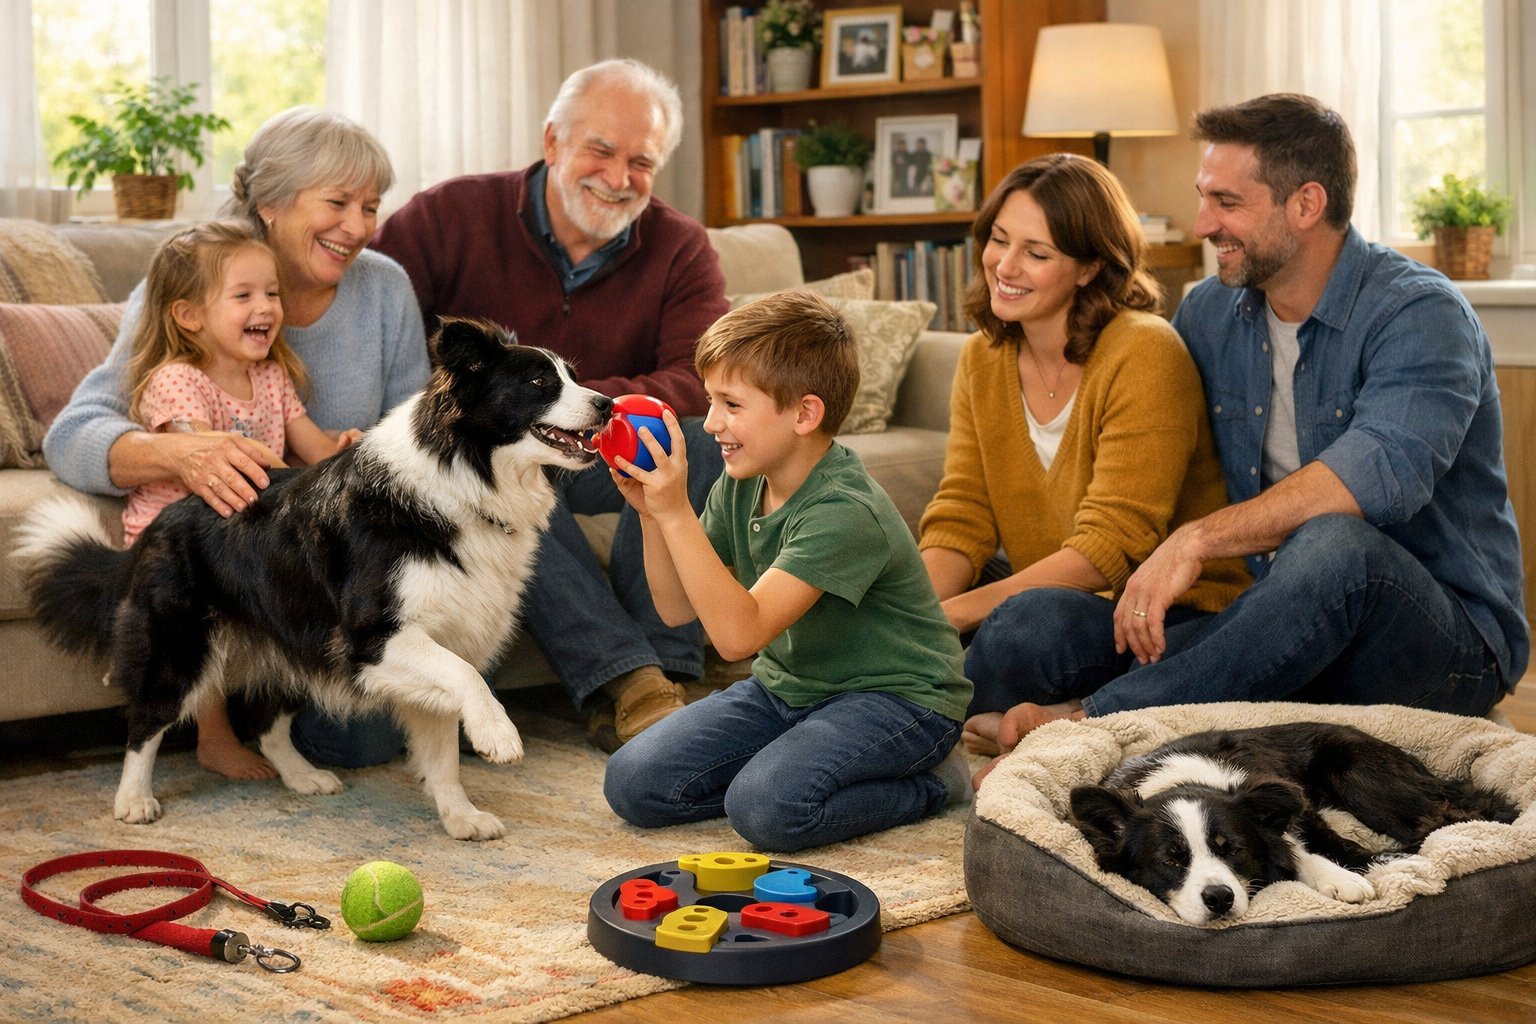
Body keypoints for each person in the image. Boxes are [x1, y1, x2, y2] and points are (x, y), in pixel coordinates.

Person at [984, 93, 1529, 756]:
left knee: (1335, 544)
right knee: (1029, 626)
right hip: (1262, 621)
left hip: (1439, 641)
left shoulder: (1420, 314)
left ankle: (1098, 724)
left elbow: (1371, 482)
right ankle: (1210, 712)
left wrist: (1193, 543)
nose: (1202, 222)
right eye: (1203, 197)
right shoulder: (1209, 314)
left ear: (1305, 205)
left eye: (1227, 202)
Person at [44, 106, 430, 770]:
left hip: (326, 578)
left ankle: (271, 711)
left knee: (361, 738)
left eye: (371, 206)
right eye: (338, 202)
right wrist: (182, 452)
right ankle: (210, 716)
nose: (359, 227)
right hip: (233, 560)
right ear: (272, 204)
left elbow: (416, 438)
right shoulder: (190, 280)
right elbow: (74, 433)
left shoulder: (385, 289)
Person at [373, 59, 728, 752]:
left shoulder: (681, 247)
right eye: (600, 149)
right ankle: (631, 685)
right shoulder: (447, 217)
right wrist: (523, 420)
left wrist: (589, 410)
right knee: (514, 468)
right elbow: (383, 333)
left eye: (641, 162)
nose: (618, 177)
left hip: (608, 441)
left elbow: (699, 372)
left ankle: (667, 671)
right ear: (553, 142)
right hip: (491, 449)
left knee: (699, 441)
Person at [917, 154, 1249, 784]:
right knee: (905, 599)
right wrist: (908, 618)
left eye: (1036, 253)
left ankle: (948, 722)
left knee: (1020, 625)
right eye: (998, 240)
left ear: (1090, 265)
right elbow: (962, 514)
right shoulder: (984, 359)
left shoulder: (1144, 350)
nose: (1005, 267)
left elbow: (1110, 550)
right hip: (1059, 602)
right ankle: (973, 719)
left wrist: (950, 619)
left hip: (1162, 618)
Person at [601, 291, 973, 851]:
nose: (710, 426)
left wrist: (678, 511)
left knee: (766, 809)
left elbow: (737, 637)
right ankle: (799, 763)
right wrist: (654, 516)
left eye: (731, 404)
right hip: (789, 690)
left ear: (804, 413)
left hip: (900, 701)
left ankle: (934, 785)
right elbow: (677, 610)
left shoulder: (845, 510)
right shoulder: (741, 481)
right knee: (633, 784)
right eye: (711, 401)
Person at [116, 220, 363, 776]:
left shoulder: (272, 376)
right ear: (189, 315)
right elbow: (207, 456)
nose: (267, 307)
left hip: (244, 537)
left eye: (272, 293)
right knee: (199, 638)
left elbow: (314, 449)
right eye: (245, 295)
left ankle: (269, 726)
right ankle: (215, 737)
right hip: (184, 542)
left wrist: (345, 450)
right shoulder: (177, 380)